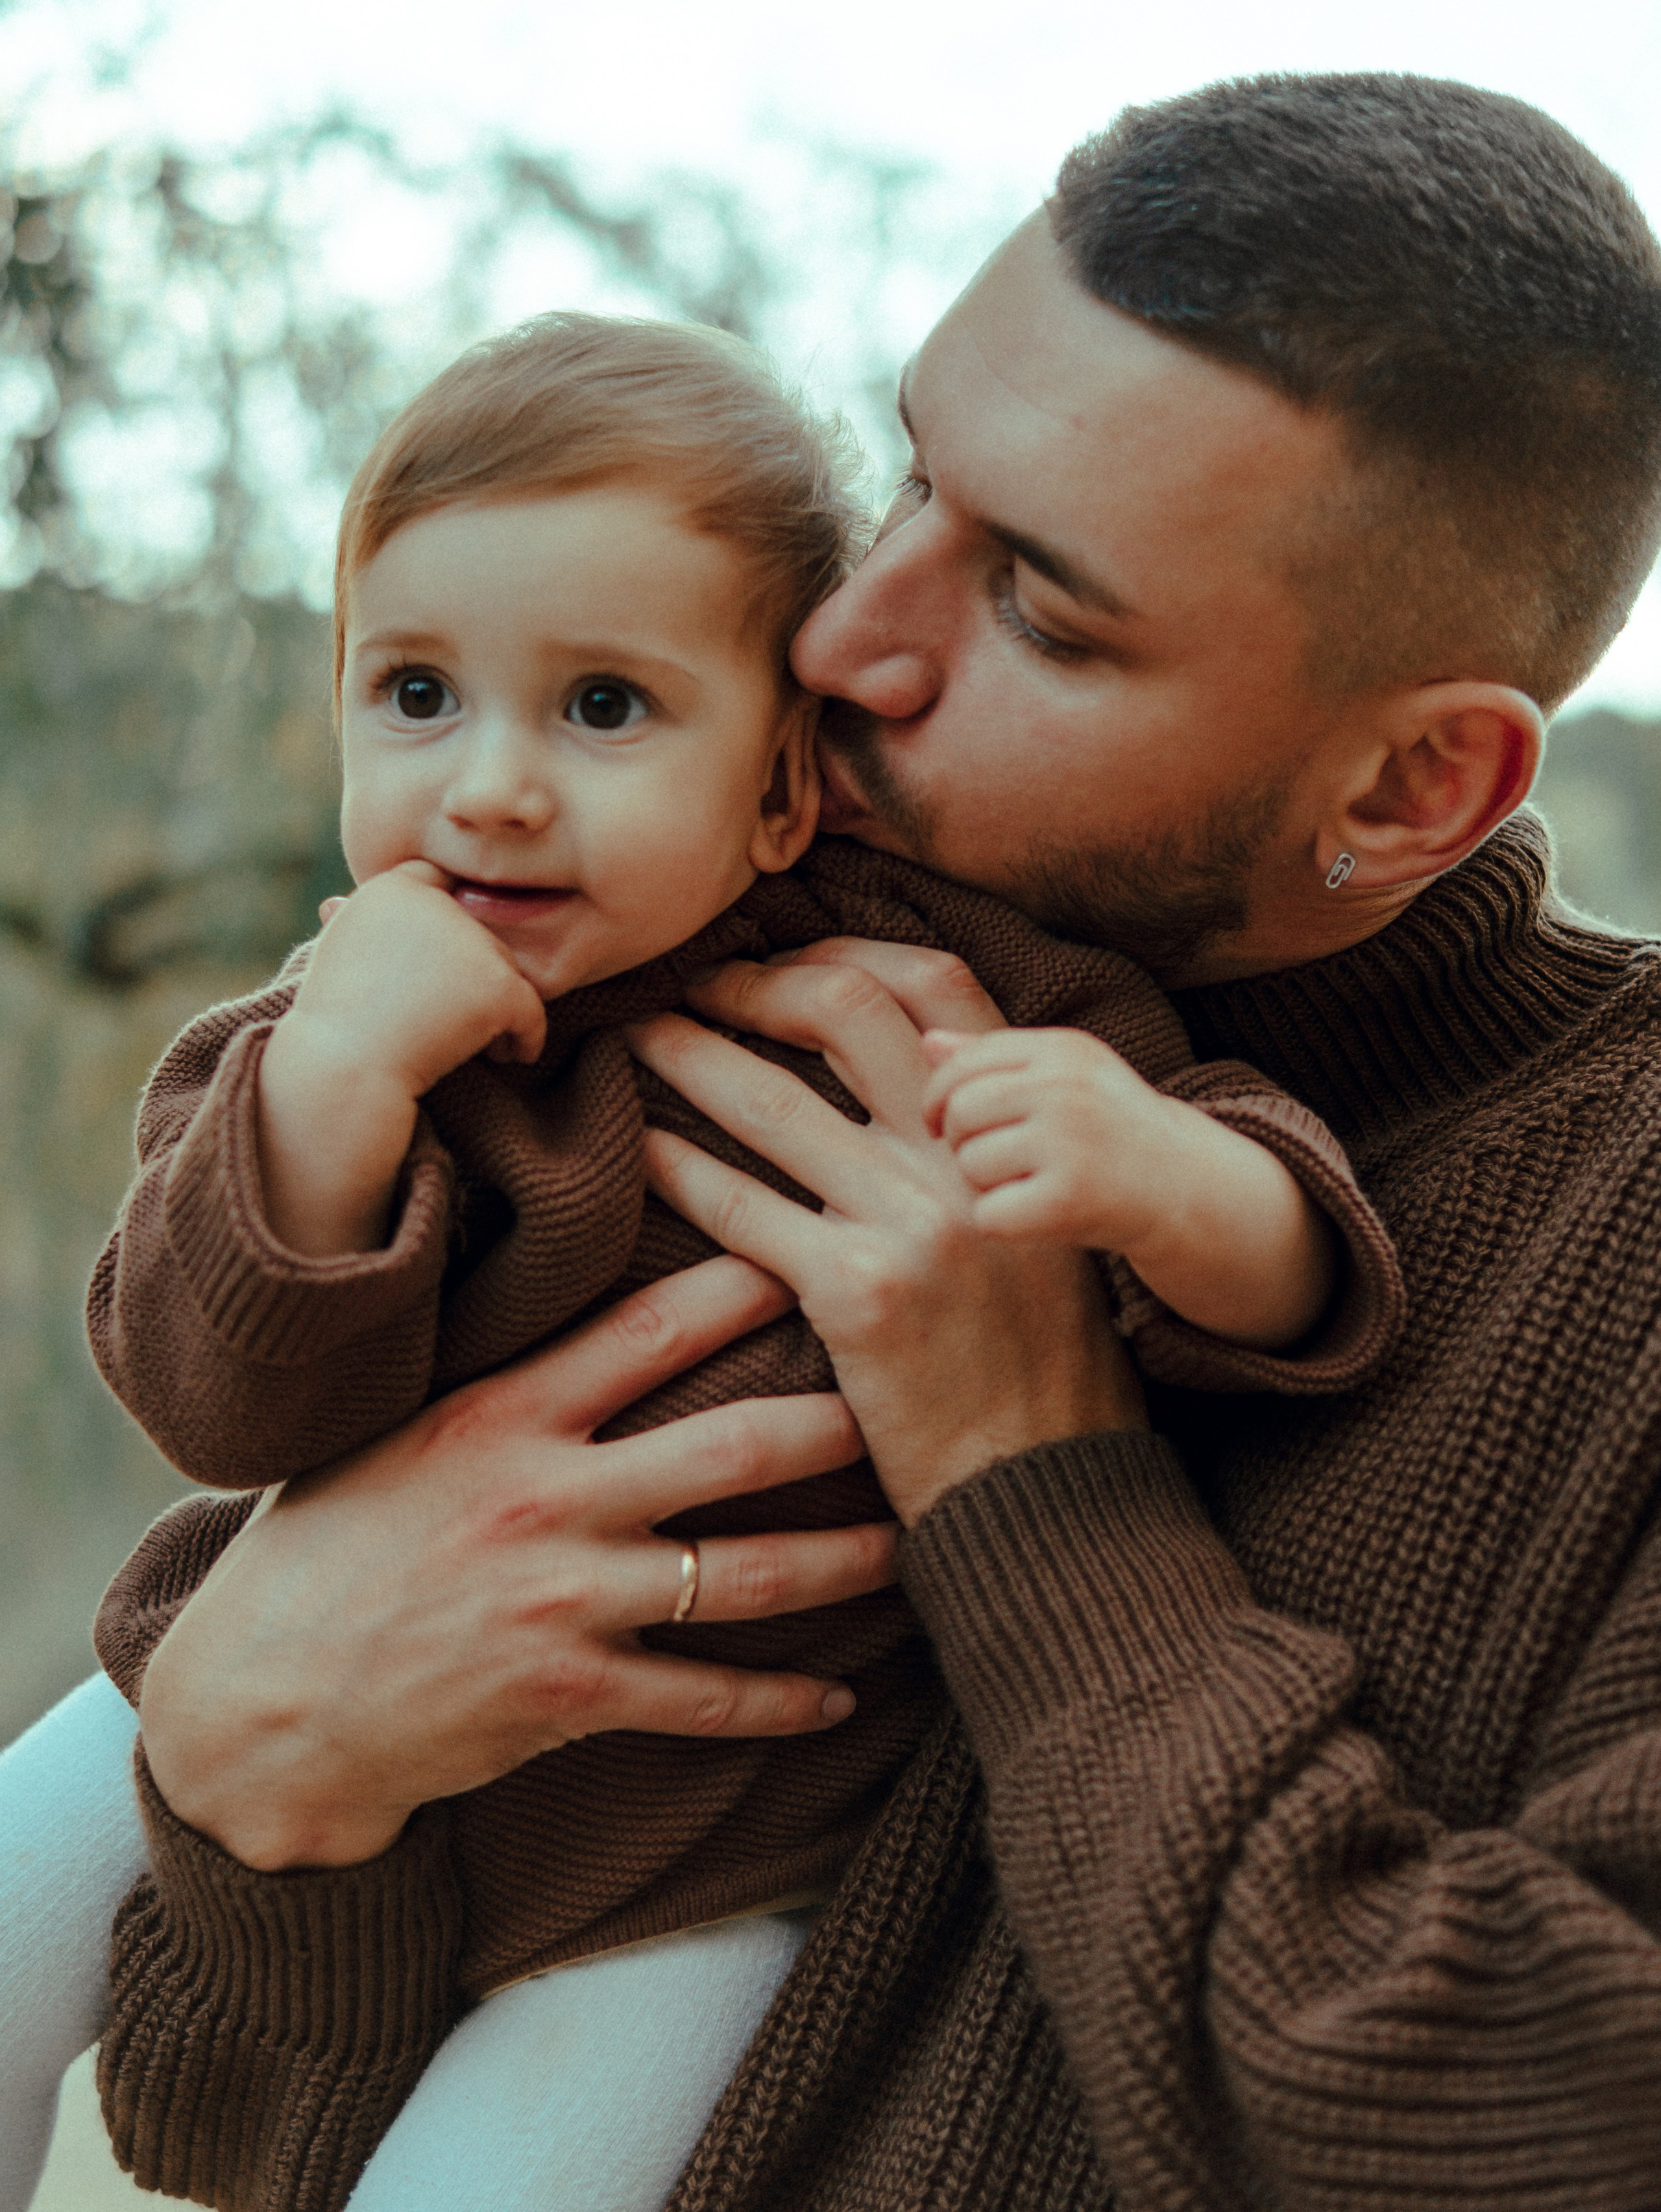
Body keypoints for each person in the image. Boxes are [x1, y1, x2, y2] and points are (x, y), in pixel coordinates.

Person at [16, 64, 1661, 2212]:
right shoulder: (620, 949)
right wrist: (262, 1766)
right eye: (906, 480)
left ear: (1412, 790)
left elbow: (1530, 2112)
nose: (839, 636)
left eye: (1041, 611)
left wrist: (1021, 1462)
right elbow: (251, 2143)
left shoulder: (1571, 1228)